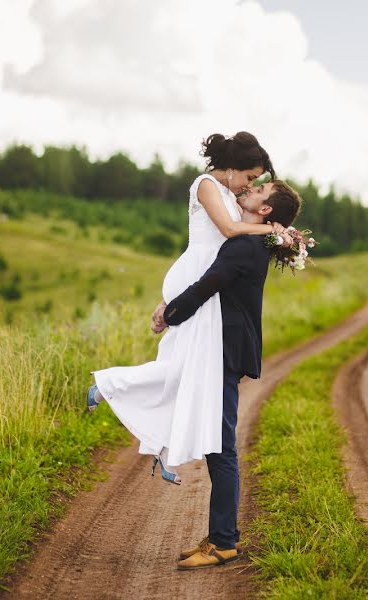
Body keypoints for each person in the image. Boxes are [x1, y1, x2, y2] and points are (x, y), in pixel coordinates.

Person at [87, 132, 286, 484]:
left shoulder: (229, 193)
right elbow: (226, 229)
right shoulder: (207, 184)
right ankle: (110, 385)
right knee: (183, 371)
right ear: (233, 167)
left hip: (210, 280)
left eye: (255, 182)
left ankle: (160, 447)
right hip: (197, 275)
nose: (249, 185)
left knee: (182, 372)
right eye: (250, 177)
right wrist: (272, 231)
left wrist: (276, 231)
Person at [154, 180, 303, 570]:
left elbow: (207, 286)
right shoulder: (257, 241)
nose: (250, 189)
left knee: (222, 446)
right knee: (216, 442)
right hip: (224, 348)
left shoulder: (243, 245)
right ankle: (222, 535)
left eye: (259, 189)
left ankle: (223, 542)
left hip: (224, 350)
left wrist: (169, 314)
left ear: (266, 210)